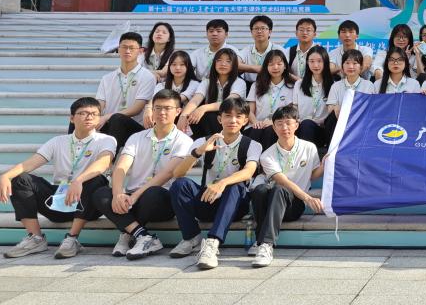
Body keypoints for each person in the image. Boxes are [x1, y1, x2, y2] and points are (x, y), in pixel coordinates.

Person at [0, 97, 116, 259]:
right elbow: (31, 163)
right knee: (20, 179)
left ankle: (72, 239)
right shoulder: (58, 141)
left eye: (94, 114)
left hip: (87, 204)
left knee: (97, 180)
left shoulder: (107, 140)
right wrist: (5, 176)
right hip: (58, 201)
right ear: (72, 118)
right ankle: (36, 238)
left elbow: (104, 162)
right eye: (83, 113)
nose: (89, 117)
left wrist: (79, 180)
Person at [93, 89, 193, 260]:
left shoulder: (185, 141)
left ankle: (126, 233)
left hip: (161, 199)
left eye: (167, 108)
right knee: (101, 193)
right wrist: (118, 194)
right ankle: (142, 235)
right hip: (132, 197)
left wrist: (136, 195)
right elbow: (121, 167)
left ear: (178, 111)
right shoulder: (136, 137)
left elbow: (168, 173)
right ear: (152, 110)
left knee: (152, 193)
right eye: (158, 108)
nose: (162, 112)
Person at [168, 96, 261, 269]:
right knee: (179, 185)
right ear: (219, 119)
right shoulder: (203, 141)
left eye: (238, 116)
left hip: (235, 205)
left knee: (236, 186)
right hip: (208, 199)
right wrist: (199, 151)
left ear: (245, 121)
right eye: (228, 116)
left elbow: (249, 172)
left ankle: (212, 243)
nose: (233, 120)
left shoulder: (252, 145)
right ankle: (191, 237)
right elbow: (177, 173)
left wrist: (222, 183)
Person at [249, 104, 325, 267]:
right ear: (273, 127)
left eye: (288, 123)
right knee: (262, 189)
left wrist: (325, 165)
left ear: (296, 125)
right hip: (275, 200)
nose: (284, 128)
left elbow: (312, 175)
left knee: (279, 190)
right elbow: (283, 181)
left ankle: (263, 242)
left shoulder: (309, 147)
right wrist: (309, 198)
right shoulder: (267, 155)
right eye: (280, 123)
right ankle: (265, 244)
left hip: (294, 205)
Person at [93, 31, 157, 148]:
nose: (127, 51)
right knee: (79, 113)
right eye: (124, 47)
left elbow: (137, 108)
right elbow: (100, 104)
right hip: (110, 124)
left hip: (135, 128)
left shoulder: (147, 76)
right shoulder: (107, 78)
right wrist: (91, 115)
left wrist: (107, 116)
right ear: (118, 49)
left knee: (117, 118)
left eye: (132, 48)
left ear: (140, 51)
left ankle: (109, 156)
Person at [179, 48, 246, 140]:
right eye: (219, 60)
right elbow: (196, 99)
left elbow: (228, 103)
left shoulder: (239, 82)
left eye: (228, 61)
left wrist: (203, 108)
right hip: (209, 121)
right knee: (191, 117)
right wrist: (183, 116)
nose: (223, 64)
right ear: (214, 63)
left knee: (208, 116)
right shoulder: (207, 81)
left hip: (230, 119)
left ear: (234, 65)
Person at [245, 49, 295, 149]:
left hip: (280, 126)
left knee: (270, 130)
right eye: (271, 64)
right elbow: (249, 111)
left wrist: (273, 122)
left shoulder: (292, 87)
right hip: (257, 125)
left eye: (279, 64)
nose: (275, 67)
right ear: (266, 67)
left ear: (285, 66)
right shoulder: (256, 85)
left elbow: (291, 113)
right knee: (256, 131)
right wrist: (256, 122)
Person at [294, 45, 332, 146]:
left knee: (307, 124)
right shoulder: (299, 84)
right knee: (305, 124)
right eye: (312, 61)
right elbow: (295, 108)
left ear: (325, 62)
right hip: (302, 127)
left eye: (319, 61)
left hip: (322, 130)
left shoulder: (333, 85)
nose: (315, 65)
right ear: (307, 63)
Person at [325, 50, 376, 115]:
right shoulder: (336, 86)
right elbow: (330, 107)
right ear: (342, 66)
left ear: (361, 66)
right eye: (347, 63)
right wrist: (335, 108)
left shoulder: (369, 85)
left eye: (355, 63)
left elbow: (373, 107)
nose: (351, 66)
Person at [238, 16, 283, 85]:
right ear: (251, 32)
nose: (259, 31)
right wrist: (255, 68)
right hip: (249, 85)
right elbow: (235, 64)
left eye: (263, 28)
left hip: (272, 85)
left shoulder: (278, 49)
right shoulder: (247, 49)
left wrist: (246, 68)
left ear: (270, 32)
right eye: (256, 28)